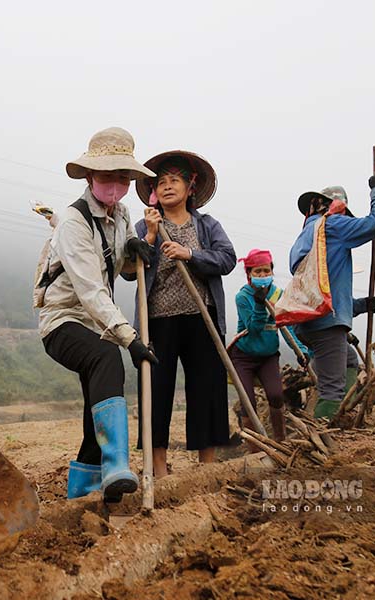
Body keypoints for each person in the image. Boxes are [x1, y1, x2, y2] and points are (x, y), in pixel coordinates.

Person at [39, 126, 157, 502]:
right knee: (107, 356)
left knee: (96, 408)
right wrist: (130, 338)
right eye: (107, 175)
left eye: (122, 177)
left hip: (94, 322)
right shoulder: (73, 223)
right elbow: (90, 290)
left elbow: (119, 271)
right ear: (90, 176)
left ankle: (88, 494)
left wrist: (135, 250)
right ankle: (116, 465)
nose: (115, 184)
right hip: (63, 321)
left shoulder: (121, 215)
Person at [124, 151, 235, 476]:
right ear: (154, 192)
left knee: (207, 389)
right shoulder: (144, 225)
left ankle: (207, 467)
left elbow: (227, 259)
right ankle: (158, 468)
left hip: (202, 318)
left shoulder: (207, 224)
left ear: (190, 188)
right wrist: (151, 238)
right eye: (162, 182)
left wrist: (191, 254)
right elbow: (129, 272)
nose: (168, 186)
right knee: (156, 390)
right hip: (158, 321)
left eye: (175, 180)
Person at [289, 171, 375, 420]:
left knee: (347, 359)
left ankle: (342, 409)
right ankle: (329, 431)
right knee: (332, 389)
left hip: (310, 322)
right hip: (326, 324)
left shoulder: (308, 234)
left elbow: (323, 289)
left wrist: (360, 306)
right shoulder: (332, 225)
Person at [229, 249, 308, 442]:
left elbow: (286, 328)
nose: (262, 276)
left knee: (276, 395)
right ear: (249, 274)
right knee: (249, 403)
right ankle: (255, 448)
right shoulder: (243, 297)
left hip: (268, 356)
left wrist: (302, 351)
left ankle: (280, 442)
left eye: (266, 271)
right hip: (244, 356)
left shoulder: (279, 295)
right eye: (257, 272)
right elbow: (254, 329)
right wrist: (259, 304)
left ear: (272, 272)